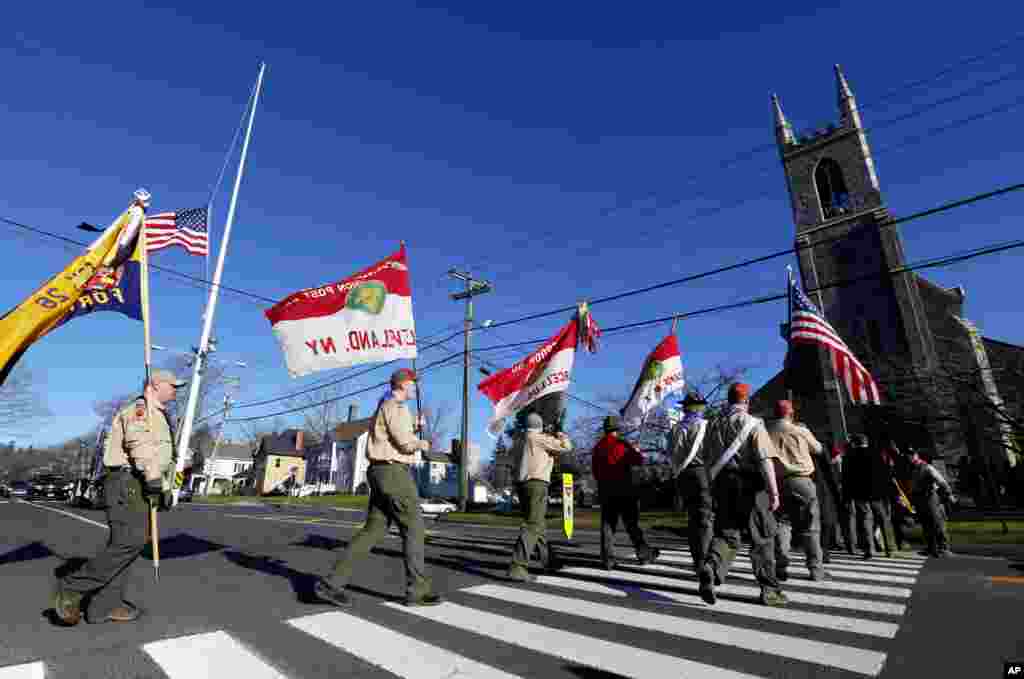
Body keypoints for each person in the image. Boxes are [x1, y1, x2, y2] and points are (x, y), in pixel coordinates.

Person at [53, 369, 184, 626]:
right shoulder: (140, 410)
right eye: (173, 385)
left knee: (128, 545)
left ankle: (104, 606)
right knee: (130, 542)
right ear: (155, 385)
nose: (176, 390)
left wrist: (164, 488)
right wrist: (154, 480)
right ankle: (73, 588)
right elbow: (141, 446)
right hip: (129, 482)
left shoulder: (157, 414)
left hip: (139, 482)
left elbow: (158, 455)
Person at [314, 369, 442, 607]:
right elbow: (404, 444)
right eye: (414, 384)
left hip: (379, 472)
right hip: (393, 473)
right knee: (414, 527)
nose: (416, 388)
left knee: (373, 530)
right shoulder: (397, 407)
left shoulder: (386, 406)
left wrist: (413, 425)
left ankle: (331, 583)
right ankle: (418, 590)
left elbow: (390, 434)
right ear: (404, 384)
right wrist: (422, 443)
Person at [698, 383, 785, 607]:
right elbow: (765, 460)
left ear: (728, 400)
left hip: (723, 483)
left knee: (726, 532)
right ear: (747, 401)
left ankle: (712, 565)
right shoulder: (754, 424)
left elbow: (706, 458)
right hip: (750, 484)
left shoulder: (714, 424)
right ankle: (770, 590)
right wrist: (774, 492)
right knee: (763, 537)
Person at [506, 412, 573, 581]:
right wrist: (560, 434)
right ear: (539, 426)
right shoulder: (537, 438)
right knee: (533, 525)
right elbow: (566, 447)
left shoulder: (521, 440)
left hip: (523, 484)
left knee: (538, 526)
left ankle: (549, 561)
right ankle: (518, 566)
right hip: (537, 484)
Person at [766, 400, 827, 581]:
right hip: (802, 480)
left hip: (778, 482)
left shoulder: (766, 432)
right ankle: (815, 568)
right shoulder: (800, 430)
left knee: (782, 524)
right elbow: (818, 449)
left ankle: (781, 565)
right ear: (790, 413)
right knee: (811, 526)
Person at [591, 416, 659, 570]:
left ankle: (607, 559)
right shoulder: (622, 444)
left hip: (606, 490)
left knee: (608, 526)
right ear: (617, 429)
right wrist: (635, 450)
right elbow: (638, 461)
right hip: (625, 490)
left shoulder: (598, 447)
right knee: (632, 525)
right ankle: (644, 554)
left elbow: (595, 471)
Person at [669, 392, 713, 573]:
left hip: (683, 475)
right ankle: (704, 561)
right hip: (702, 472)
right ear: (700, 407)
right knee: (705, 518)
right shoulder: (707, 426)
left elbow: (670, 454)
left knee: (693, 519)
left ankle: (697, 559)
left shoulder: (675, 429)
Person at [908, 449, 955, 557]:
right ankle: (931, 547)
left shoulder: (927, 467)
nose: (909, 458)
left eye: (911, 455)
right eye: (908, 456)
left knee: (937, 523)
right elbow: (913, 486)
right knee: (926, 524)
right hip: (920, 499)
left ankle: (944, 548)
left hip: (930, 497)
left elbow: (941, 481)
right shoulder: (913, 469)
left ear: (916, 456)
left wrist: (949, 494)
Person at [812, 435, 843, 563]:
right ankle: (822, 553)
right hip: (821, 488)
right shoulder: (819, 448)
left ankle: (819, 554)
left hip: (812, 486)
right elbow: (829, 472)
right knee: (825, 521)